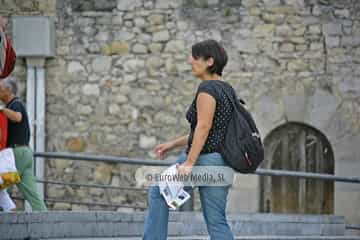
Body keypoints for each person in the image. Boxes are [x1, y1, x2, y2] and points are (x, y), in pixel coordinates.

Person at [143, 39, 235, 240]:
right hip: (222, 162)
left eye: (194, 57)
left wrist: (189, 163)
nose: (189, 61)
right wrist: (173, 144)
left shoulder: (207, 89)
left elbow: (203, 127)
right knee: (217, 221)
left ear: (209, 61)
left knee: (158, 193)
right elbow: (210, 130)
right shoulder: (228, 90)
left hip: (203, 159)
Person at [0, 77, 47, 211]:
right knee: (32, 193)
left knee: (3, 185)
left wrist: (2, 110)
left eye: (0, 89)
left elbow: (17, 117)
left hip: (16, 153)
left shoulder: (15, 104)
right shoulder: (14, 104)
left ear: (8, 91)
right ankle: (44, 217)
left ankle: (5, 219)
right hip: (25, 152)